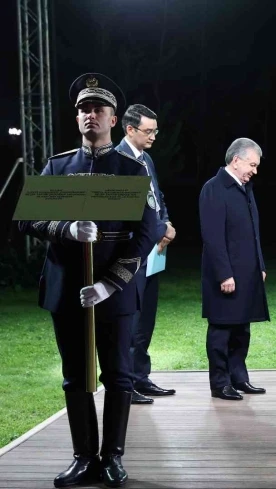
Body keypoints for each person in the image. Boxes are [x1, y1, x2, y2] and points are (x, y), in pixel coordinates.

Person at [17, 73, 161, 487]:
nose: (89, 115)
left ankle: (112, 457)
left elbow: (146, 233)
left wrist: (109, 284)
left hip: (114, 292)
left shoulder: (130, 170)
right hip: (68, 290)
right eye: (83, 109)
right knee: (75, 375)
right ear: (76, 117)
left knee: (118, 375)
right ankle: (83, 457)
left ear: (113, 119)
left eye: (98, 109)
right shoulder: (58, 167)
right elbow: (28, 220)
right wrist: (65, 229)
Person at [198, 138, 269, 401]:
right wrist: (224, 274)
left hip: (247, 273)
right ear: (236, 160)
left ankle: (239, 378)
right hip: (226, 275)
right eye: (252, 165)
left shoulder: (245, 188)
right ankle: (220, 383)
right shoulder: (214, 188)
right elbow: (213, 236)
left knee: (242, 329)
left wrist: (260, 265)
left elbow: (254, 233)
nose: (255, 171)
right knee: (222, 329)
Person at [116, 104, 177, 405]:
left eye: (155, 130)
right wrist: (159, 229)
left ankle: (141, 377)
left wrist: (165, 225)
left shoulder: (146, 158)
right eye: (148, 131)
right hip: (131, 254)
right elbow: (126, 213)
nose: (153, 136)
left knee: (146, 319)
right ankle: (125, 385)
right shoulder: (117, 160)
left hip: (154, 251)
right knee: (130, 321)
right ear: (130, 129)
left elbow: (156, 197)